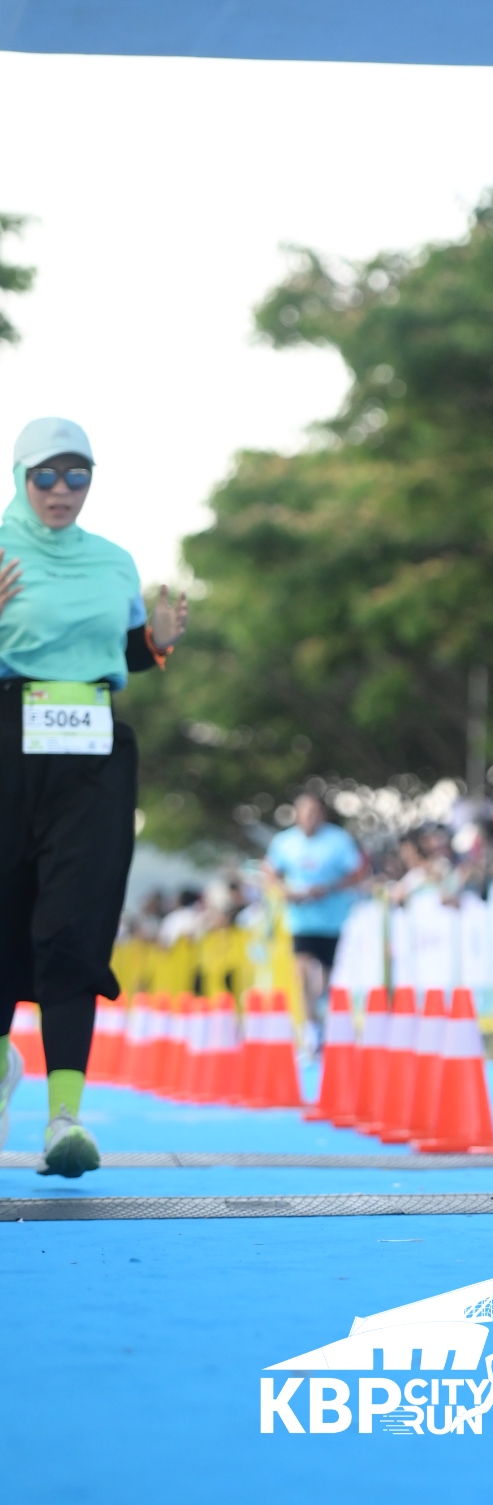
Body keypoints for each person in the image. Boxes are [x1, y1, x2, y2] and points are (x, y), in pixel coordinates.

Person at [0, 418, 187, 1177]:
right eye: (46, 475)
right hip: (6, 742)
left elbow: (127, 653)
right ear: (21, 477)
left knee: (74, 928)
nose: (61, 490)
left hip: (91, 753)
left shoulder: (114, 562)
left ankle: (64, 1120)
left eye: (76, 475)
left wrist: (158, 642)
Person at [263, 791, 365, 1037]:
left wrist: (330, 888)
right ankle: (309, 1028)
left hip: (332, 920)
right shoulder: (284, 842)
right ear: (297, 814)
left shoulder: (338, 840)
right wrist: (285, 891)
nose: (310, 817)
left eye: (315, 812)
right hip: (301, 920)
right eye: (306, 812)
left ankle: (322, 1017)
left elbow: (358, 871)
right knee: (301, 971)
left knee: (326, 978)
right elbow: (269, 872)